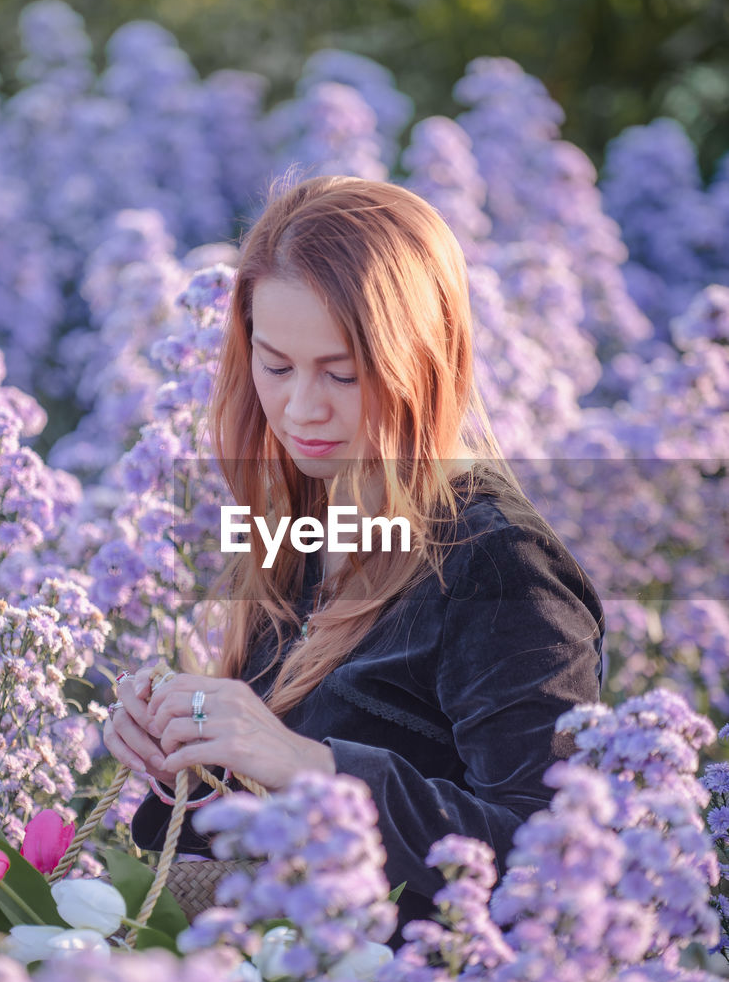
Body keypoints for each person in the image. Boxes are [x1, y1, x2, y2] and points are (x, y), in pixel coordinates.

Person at [104, 175, 605, 942]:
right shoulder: (309, 517)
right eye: (275, 366)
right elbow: (271, 829)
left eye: (342, 373)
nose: (303, 407)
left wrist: (310, 764)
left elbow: (552, 854)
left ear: (422, 361)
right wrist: (189, 748)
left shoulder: (502, 564)